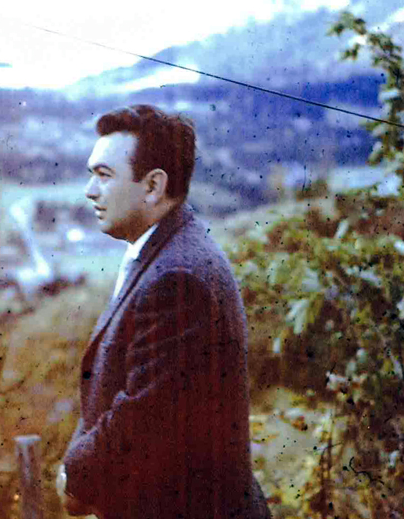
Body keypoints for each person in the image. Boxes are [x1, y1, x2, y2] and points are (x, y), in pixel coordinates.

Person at [58, 105, 272, 519]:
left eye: (104, 175)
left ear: (154, 186)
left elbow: (141, 418)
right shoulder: (165, 253)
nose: (89, 190)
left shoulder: (177, 278)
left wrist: (75, 474)